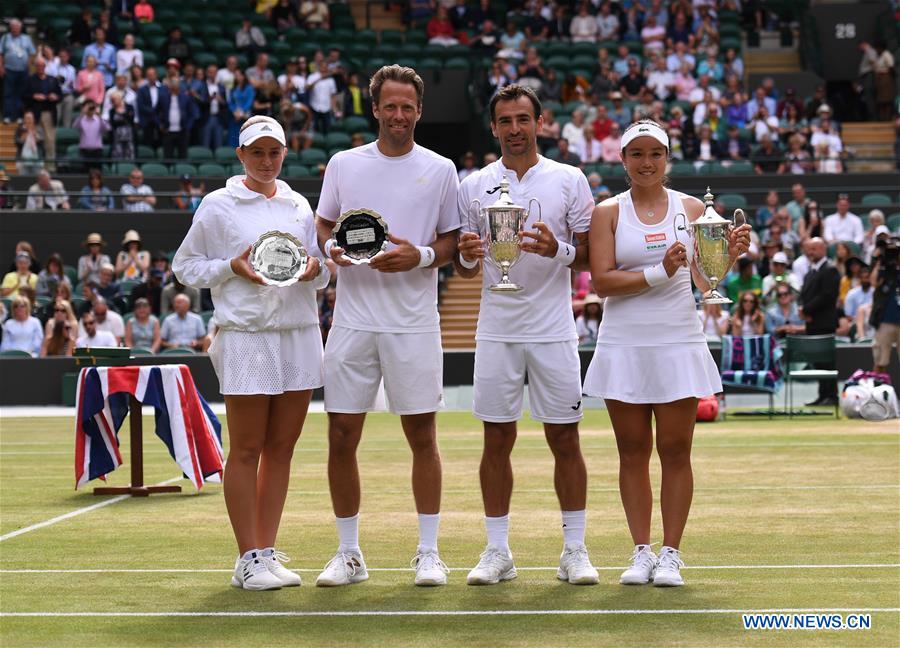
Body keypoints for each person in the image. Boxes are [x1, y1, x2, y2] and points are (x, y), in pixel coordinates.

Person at [583, 119, 750, 587]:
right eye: (636, 154)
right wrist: (660, 271)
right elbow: (602, 281)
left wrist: (729, 256)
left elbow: (703, 280)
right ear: (623, 160)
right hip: (624, 343)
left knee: (676, 451)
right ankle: (641, 552)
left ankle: (671, 554)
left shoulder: (692, 208)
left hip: (677, 339)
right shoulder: (607, 213)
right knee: (632, 452)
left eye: (654, 153)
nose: (646, 162)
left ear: (667, 158)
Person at [314, 65, 460, 588]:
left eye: (408, 107)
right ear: (374, 108)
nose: (399, 115)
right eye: (389, 106)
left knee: (422, 434)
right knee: (341, 433)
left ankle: (428, 552)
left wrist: (416, 257)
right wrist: (333, 250)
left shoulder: (442, 169)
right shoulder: (343, 163)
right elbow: (325, 225)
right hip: (352, 319)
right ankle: (349, 554)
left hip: (415, 321)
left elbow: (450, 242)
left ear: (419, 111)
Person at [173, 115, 328, 590]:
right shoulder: (218, 205)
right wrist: (232, 268)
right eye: (256, 152)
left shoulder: (300, 204)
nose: (266, 160)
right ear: (240, 155)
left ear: (285, 154)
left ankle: (265, 550)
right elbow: (186, 267)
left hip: (299, 330)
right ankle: (247, 557)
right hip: (246, 334)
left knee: (282, 448)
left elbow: (321, 271)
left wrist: (312, 271)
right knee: (245, 448)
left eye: (274, 151)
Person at [455, 84, 599, 586]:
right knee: (496, 437)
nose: (514, 129)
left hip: (554, 327)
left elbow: (588, 255)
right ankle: (498, 551)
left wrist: (554, 249)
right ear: (493, 128)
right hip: (496, 328)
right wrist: (470, 252)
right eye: (505, 121)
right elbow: (468, 267)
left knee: (565, 436)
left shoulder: (569, 179)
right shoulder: (473, 185)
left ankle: (574, 549)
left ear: (540, 123)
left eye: (523, 119)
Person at [798, 237, 841, 406]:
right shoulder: (810, 272)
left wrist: (807, 310)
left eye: (814, 248)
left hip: (824, 323)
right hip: (812, 323)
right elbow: (804, 295)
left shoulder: (830, 270)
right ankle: (823, 395)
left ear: (823, 249)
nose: (811, 252)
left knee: (827, 361)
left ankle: (831, 395)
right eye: (808, 249)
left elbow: (827, 296)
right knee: (818, 361)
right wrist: (802, 310)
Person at [1, 19, 37, 124]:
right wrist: (1, 66)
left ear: (20, 28)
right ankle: (7, 116)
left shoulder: (27, 38)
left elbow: (32, 53)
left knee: (21, 94)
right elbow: (1, 54)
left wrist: (29, 66)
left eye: (17, 27)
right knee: (8, 94)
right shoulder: (5, 38)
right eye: (14, 27)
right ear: (10, 28)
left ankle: (19, 116)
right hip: (9, 70)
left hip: (23, 71)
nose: (16, 29)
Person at [15, 111, 46, 176]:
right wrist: (23, 138)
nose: (28, 120)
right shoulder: (20, 129)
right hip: (23, 160)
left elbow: (42, 140)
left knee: (36, 180)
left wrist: (35, 135)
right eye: (27, 118)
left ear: (33, 119)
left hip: (36, 160)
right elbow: (16, 142)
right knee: (24, 181)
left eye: (30, 118)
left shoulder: (39, 128)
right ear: (24, 119)